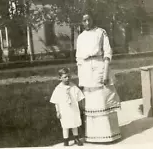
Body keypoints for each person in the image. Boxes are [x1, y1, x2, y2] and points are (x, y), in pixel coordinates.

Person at [76, 12, 121, 143]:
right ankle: (93, 136)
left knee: (103, 99)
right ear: (81, 22)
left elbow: (107, 52)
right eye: (84, 20)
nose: (87, 23)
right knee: (91, 101)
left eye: (89, 19)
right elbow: (78, 59)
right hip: (86, 70)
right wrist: (81, 77)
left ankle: (110, 135)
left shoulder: (101, 32)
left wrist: (106, 72)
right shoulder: (80, 37)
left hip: (99, 66)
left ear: (93, 19)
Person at [50, 68, 85, 146]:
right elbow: (56, 101)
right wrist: (58, 111)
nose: (67, 78)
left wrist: (82, 106)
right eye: (65, 77)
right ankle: (66, 140)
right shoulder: (58, 89)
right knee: (65, 125)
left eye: (69, 76)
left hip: (73, 108)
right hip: (64, 110)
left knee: (74, 123)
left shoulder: (73, 86)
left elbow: (80, 96)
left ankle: (76, 138)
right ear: (60, 78)